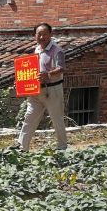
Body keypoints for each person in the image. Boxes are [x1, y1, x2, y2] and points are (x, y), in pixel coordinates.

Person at [18, 23, 67, 151]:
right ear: (35, 35)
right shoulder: (37, 49)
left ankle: (62, 146)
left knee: (57, 119)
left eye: (44, 34)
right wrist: (21, 81)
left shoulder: (57, 50)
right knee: (29, 117)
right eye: (39, 34)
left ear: (50, 34)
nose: (41, 37)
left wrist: (49, 74)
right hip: (36, 90)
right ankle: (22, 147)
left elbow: (61, 68)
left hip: (52, 89)